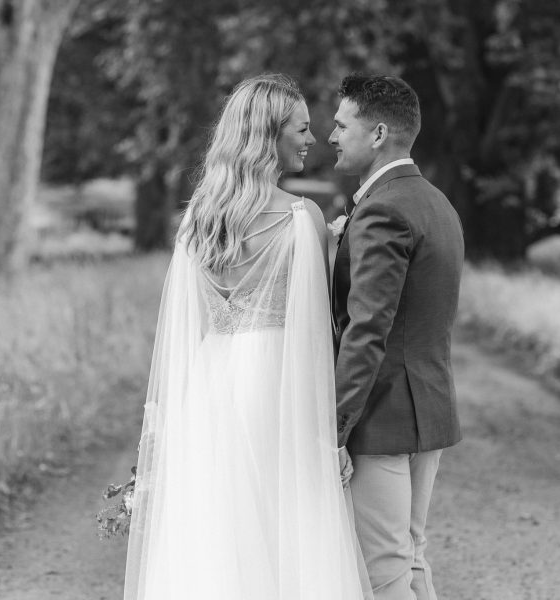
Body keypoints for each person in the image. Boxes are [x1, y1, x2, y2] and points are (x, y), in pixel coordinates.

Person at [123, 74, 370, 600]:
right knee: (287, 522)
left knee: (220, 527)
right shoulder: (300, 219)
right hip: (279, 381)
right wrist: (333, 433)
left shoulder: (199, 220)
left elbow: (186, 329)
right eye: (301, 130)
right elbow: (315, 331)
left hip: (211, 384)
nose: (311, 140)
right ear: (268, 136)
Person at [330, 73, 465, 600]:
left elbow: (368, 328)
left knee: (386, 571)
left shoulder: (384, 208)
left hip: (383, 416)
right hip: (426, 407)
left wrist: (335, 429)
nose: (331, 135)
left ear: (379, 132)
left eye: (342, 125)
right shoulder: (435, 201)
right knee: (408, 558)